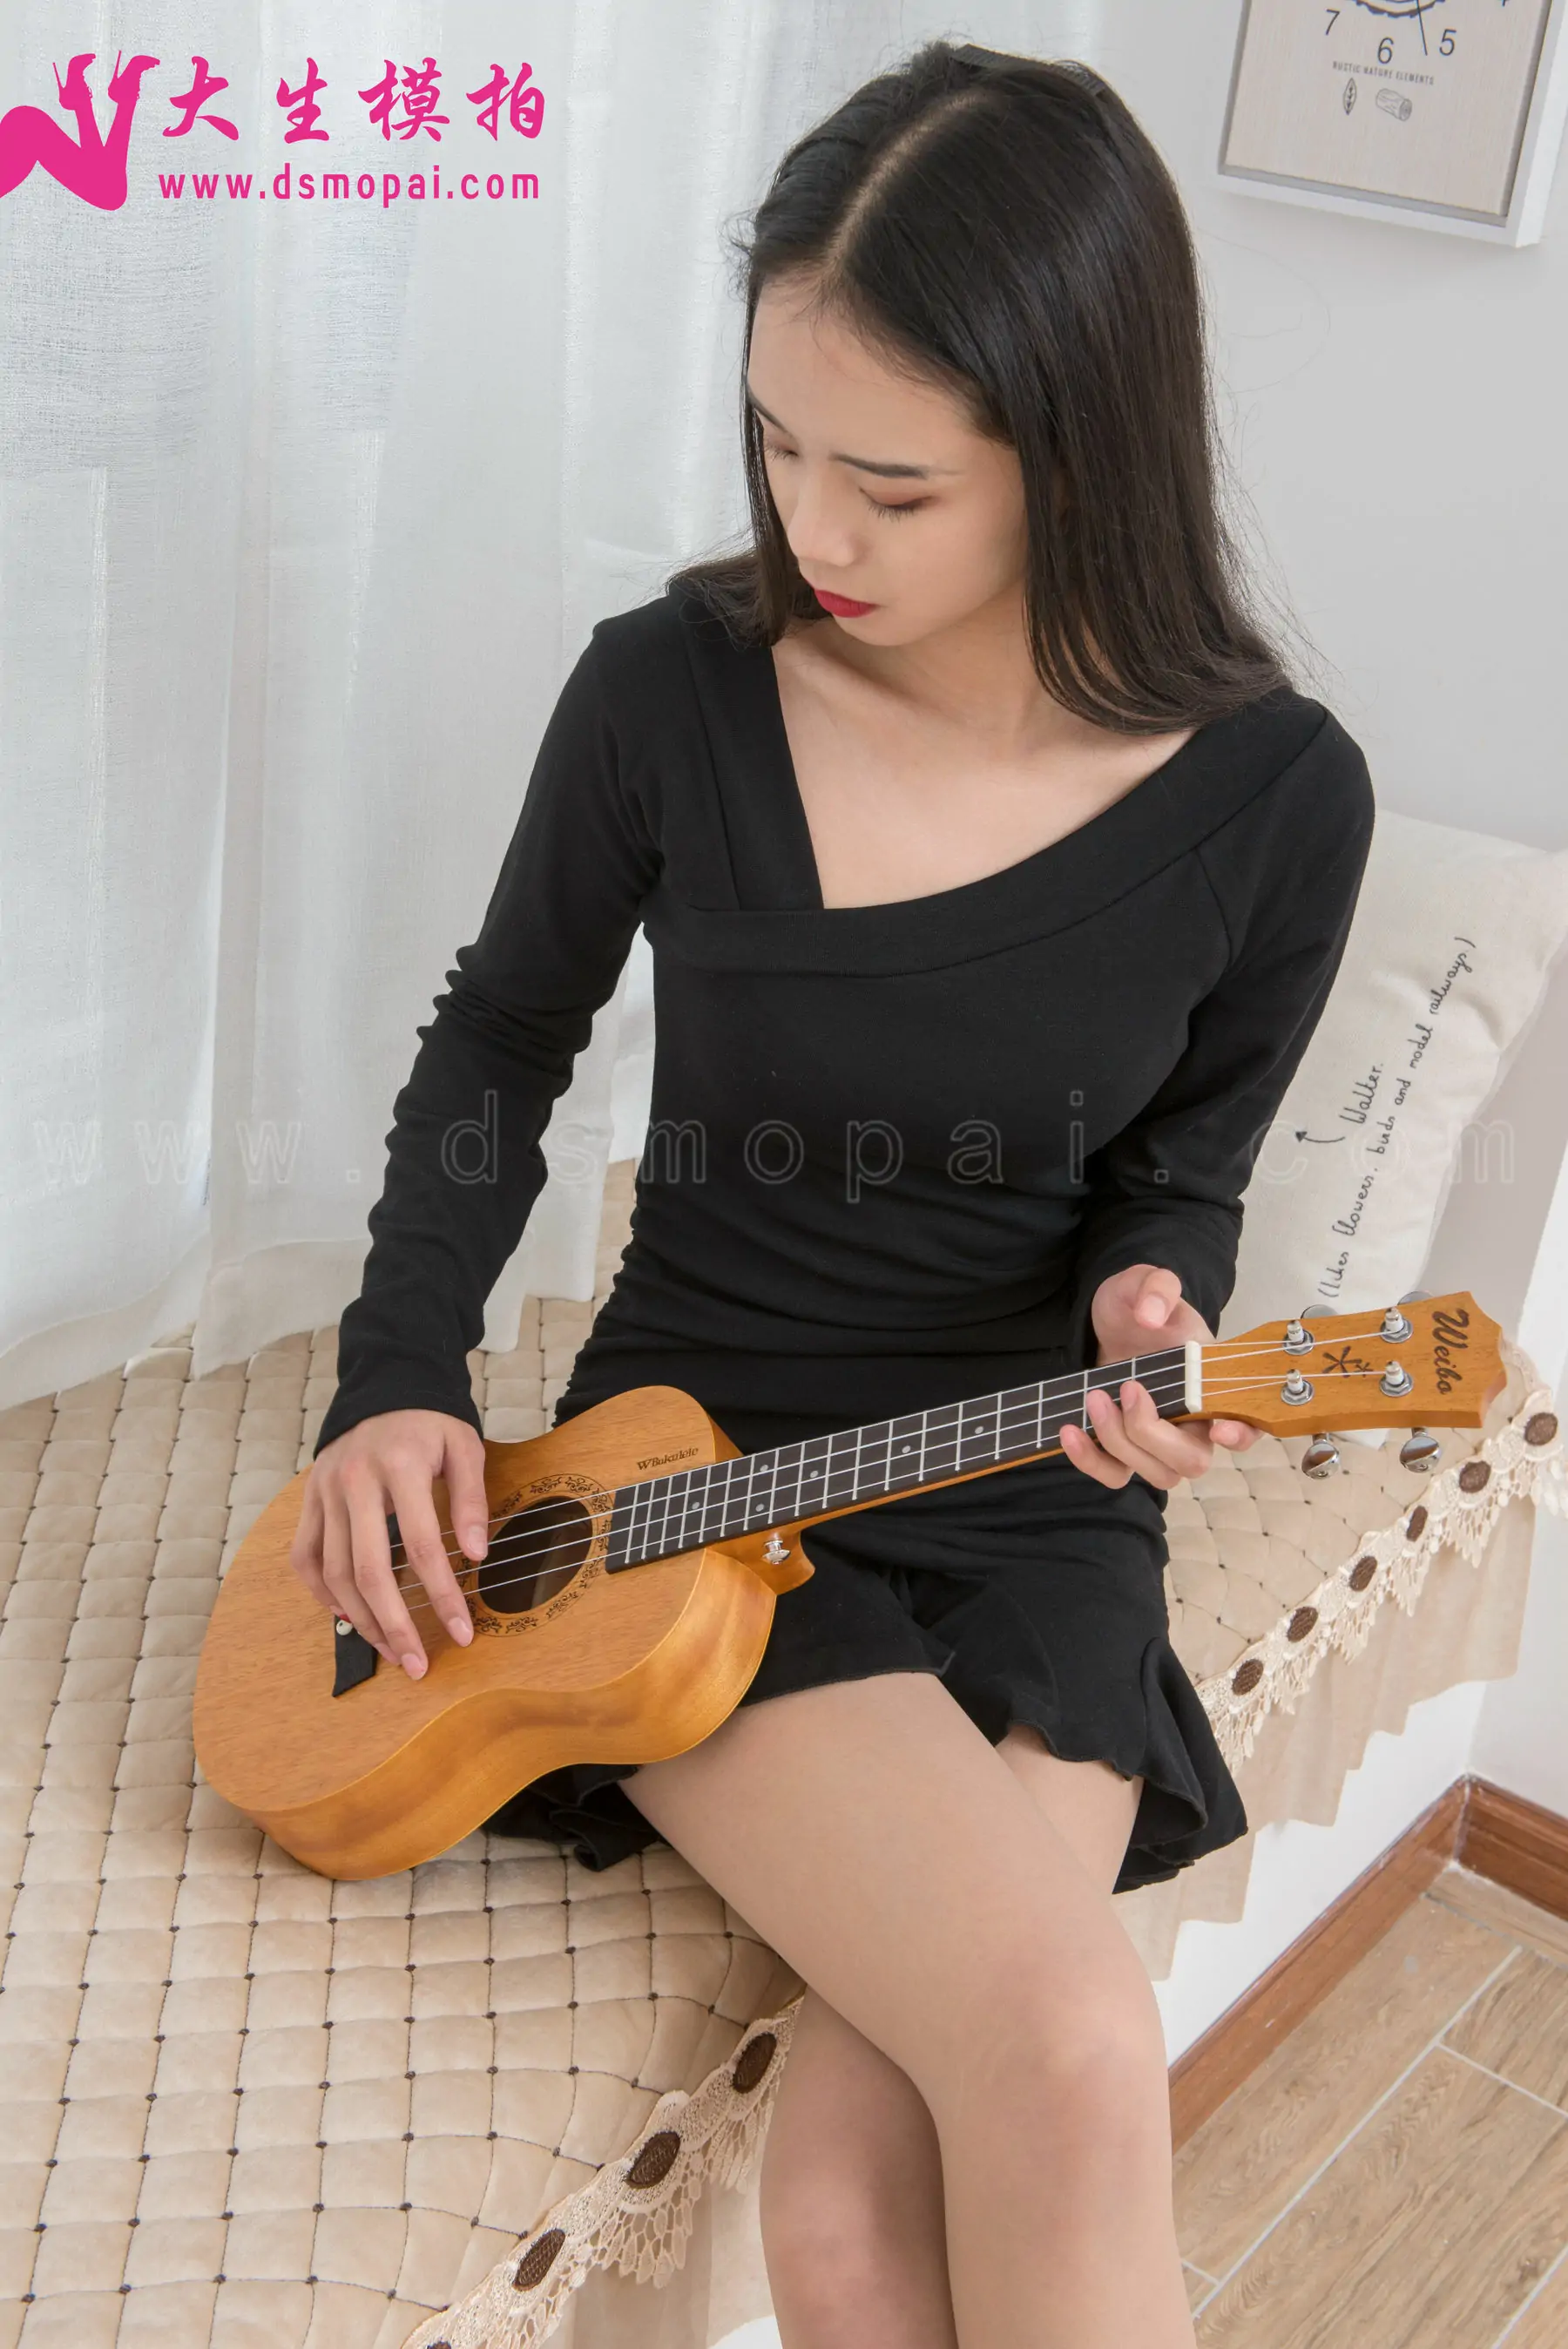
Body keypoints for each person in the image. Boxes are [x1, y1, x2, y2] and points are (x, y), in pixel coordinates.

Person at [292, 41, 1375, 2349]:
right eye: (777, 443)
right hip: (704, 1478)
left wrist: (1152, 1302)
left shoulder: (1280, 798)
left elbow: (1182, 1175)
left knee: (865, 2196)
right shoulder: (666, 697)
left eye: (890, 480)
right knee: (1063, 2046)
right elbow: (499, 1041)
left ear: (1081, 449)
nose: (815, 532)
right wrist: (396, 1374)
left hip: (1035, 1486)